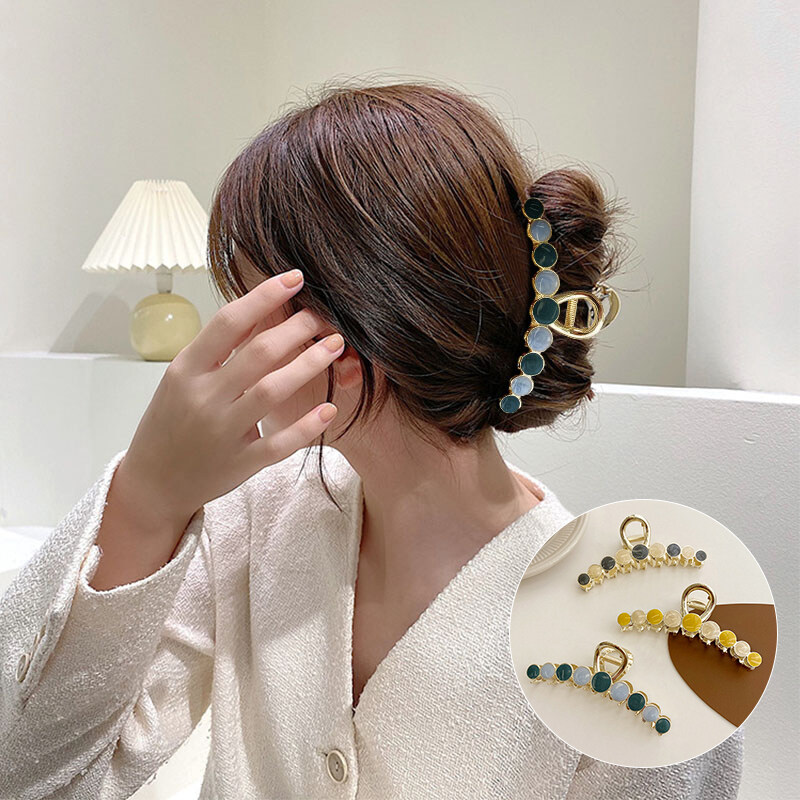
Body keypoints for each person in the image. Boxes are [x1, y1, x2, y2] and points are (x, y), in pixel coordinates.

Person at [0, 81, 743, 799]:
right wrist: (144, 500)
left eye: (245, 299)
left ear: (342, 340)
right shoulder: (250, 522)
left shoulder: (652, 647)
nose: (229, 337)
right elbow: (31, 777)